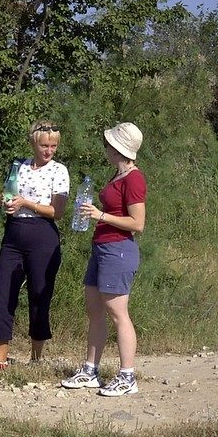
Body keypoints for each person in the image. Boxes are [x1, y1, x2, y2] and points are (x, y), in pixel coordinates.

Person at [0, 120, 70, 375]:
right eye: (44, 145)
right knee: (4, 293)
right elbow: (7, 194)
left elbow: (57, 211)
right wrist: (6, 201)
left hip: (42, 235)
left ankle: (36, 357)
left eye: (53, 146)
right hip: (14, 234)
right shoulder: (19, 165)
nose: (49, 151)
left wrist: (26, 203)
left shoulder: (59, 171)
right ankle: (0, 357)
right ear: (33, 143)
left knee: (39, 295)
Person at [61, 122, 147, 397]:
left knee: (118, 313)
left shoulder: (134, 179)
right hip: (102, 247)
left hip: (118, 250)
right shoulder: (117, 176)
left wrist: (101, 216)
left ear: (119, 148)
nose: (106, 148)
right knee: (94, 309)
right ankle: (90, 369)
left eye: (109, 144)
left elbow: (138, 223)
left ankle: (127, 375)